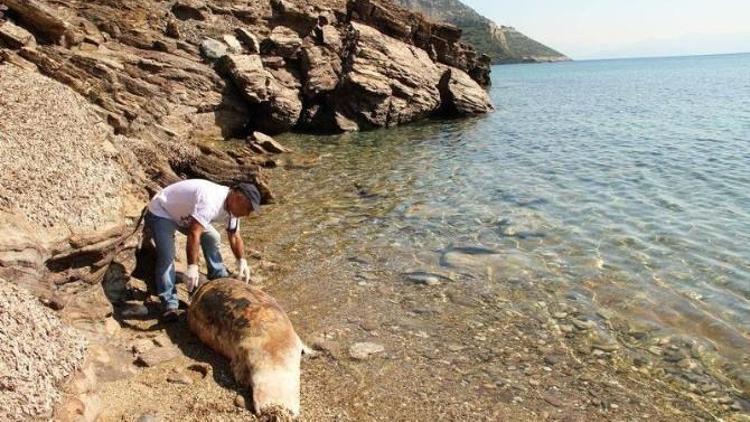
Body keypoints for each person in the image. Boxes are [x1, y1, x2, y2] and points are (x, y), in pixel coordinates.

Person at [144, 179, 261, 321]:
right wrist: (192, 267)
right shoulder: (211, 201)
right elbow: (194, 233)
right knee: (167, 256)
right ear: (238, 198)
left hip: (186, 216)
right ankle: (169, 303)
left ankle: (218, 275)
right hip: (163, 211)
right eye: (248, 209)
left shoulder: (232, 208)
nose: (248, 214)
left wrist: (242, 260)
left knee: (213, 237)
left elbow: (235, 236)